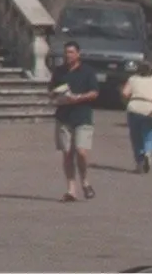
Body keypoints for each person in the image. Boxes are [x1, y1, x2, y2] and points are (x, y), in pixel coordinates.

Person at [53, 40, 99, 201]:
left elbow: (94, 93)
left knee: (81, 151)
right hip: (63, 117)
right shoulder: (59, 72)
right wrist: (59, 98)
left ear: (78, 54)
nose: (68, 55)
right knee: (67, 154)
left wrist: (78, 98)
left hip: (82, 116)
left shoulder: (87, 72)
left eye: (71, 52)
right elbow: (51, 93)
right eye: (66, 52)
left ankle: (85, 181)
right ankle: (71, 189)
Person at [123, 60, 152, 173]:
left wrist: (128, 100)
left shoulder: (132, 79)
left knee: (136, 136)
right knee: (150, 134)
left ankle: (139, 163)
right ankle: (147, 153)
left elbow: (125, 93)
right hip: (150, 109)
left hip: (134, 107)